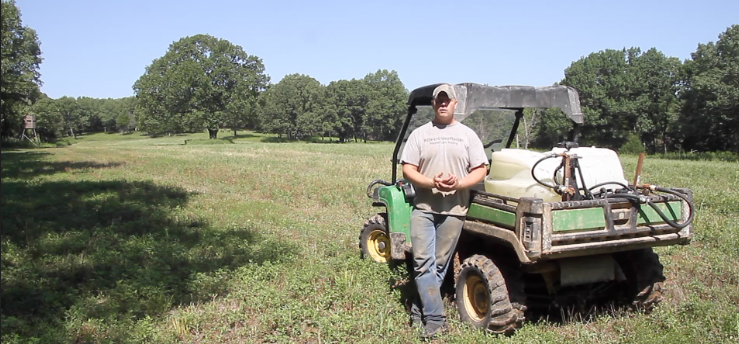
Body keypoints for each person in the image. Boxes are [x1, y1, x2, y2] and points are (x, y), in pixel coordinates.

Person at [399, 83, 489, 339]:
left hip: (455, 209)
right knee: (421, 262)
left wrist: (459, 183)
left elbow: (481, 169)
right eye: (438, 100)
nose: (442, 104)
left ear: (454, 104)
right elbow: (408, 169)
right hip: (424, 207)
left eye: (446, 100)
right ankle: (437, 320)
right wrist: (432, 182)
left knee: (438, 266)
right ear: (433, 103)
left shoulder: (467, 135)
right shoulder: (420, 134)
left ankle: (419, 310)